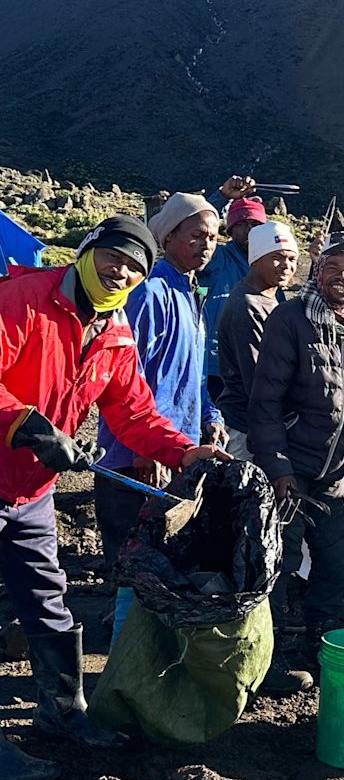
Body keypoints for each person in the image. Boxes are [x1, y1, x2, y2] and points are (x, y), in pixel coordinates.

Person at [0, 216, 226, 780]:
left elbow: (134, 413)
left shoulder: (116, 333)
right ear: (86, 252)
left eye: (134, 266)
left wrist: (184, 453)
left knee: (46, 598)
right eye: (112, 256)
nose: (120, 270)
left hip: (30, 491)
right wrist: (25, 424)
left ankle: (63, 713)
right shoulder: (24, 298)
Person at [250, 231, 344, 695]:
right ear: (319, 270)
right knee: (280, 564)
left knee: (333, 565)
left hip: (333, 476)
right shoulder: (289, 320)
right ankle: (266, 661)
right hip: (292, 471)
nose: (342, 276)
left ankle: (324, 647)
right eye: (333, 266)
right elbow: (265, 401)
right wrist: (278, 468)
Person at [95, 194, 226, 619]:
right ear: (167, 235)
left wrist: (210, 415)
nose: (206, 245)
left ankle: (142, 644)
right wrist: (142, 449)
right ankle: (123, 656)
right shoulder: (149, 291)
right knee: (134, 558)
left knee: (161, 555)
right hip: (134, 455)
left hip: (175, 448)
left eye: (213, 237)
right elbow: (129, 374)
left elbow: (193, 372)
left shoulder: (189, 293)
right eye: (196, 235)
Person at [217, 221, 299, 459]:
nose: (287, 266)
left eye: (292, 259)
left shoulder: (269, 299)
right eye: (277, 257)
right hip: (245, 428)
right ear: (256, 259)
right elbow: (257, 377)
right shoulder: (247, 305)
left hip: (258, 424)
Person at [199, 192, 266, 401]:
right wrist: (222, 197)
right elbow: (197, 222)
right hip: (211, 366)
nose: (249, 230)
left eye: (256, 224)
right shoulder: (218, 257)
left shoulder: (268, 266)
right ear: (230, 228)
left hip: (250, 366)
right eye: (243, 224)